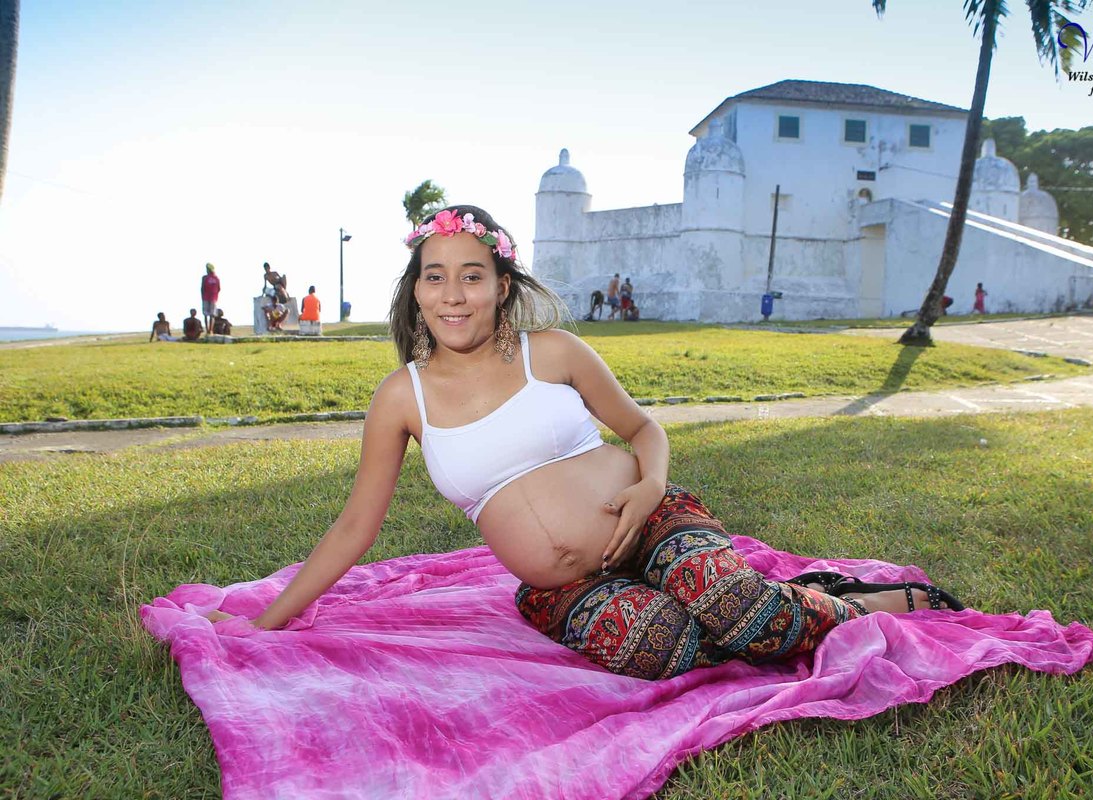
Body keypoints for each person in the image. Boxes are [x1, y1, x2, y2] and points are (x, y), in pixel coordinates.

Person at [206, 205, 962, 681]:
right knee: (660, 649)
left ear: (502, 284)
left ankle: (852, 603)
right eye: (435, 278)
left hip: (652, 520)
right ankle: (773, 607)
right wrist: (265, 620)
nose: (453, 295)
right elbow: (354, 527)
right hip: (561, 587)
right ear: (416, 291)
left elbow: (643, 429)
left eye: (472, 276)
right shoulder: (402, 397)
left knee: (739, 614)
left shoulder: (555, 352)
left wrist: (649, 487)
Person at [201, 263, 221, 334]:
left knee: (211, 314)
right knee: (207, 314)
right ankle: (208, 329)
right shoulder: (205, 277)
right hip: (208, 297)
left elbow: (219, 288)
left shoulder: (216, 278)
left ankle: (210, 329)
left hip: (211, 298)